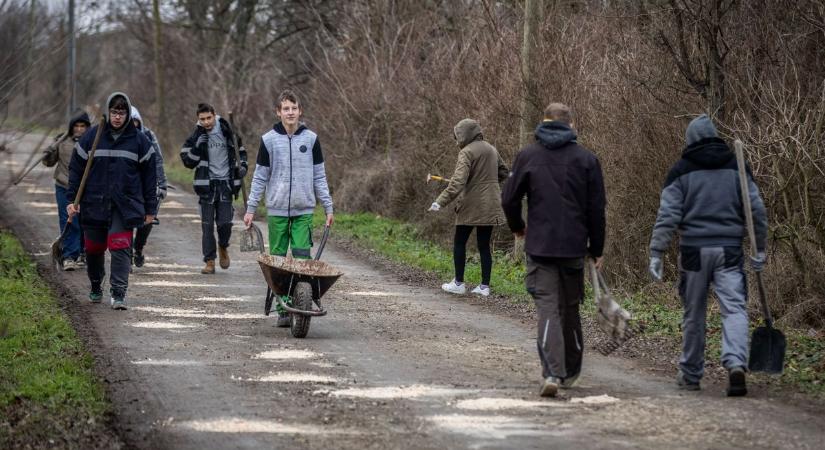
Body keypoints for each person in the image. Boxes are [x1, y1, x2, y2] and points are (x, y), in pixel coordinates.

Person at [648, 114, 767, 397]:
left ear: (690, 140)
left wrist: (657, 251)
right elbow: (756, 210)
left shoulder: (680, 171)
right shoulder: (737, 166)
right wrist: (759, 247)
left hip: (693, 252)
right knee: (734, 309)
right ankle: (736, 364)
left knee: (694, 314)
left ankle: (690, 374)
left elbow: (668, 216)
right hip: (728, 251)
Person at [501, 103, 606, 397]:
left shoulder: (528, 156)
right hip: (574, 248)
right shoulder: (587, 159)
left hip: (541, 246)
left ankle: (552, 373)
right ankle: (571, 372)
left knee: (548, 307)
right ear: (571, 125)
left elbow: (508, 198)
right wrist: (596, 248)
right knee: (569, 308)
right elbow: (596, 210)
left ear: (543, 124)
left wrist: (518, 226)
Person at [244, 89, 334, 327]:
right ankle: (282, 307)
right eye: (286, 108)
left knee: (303, 256)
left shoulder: (311, 139)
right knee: (278, 259)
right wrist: (251, 208)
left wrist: (328, 206)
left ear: (300, 111)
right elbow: (260, 177)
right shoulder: (269, 140)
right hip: (277, 209)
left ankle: (300, 301)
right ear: (278, 112)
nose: (290, 112)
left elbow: (319, 176)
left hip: (304, 208)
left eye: (294, 108)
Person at [67, 92, 158, 310]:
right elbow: (76, 170)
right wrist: (72, 200)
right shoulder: (92, 137)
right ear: (108, 113)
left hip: (124, 205)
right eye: (114, 112)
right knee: (94, 248)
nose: (118, 117)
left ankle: (118, 293)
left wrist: (150, 209)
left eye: (122, 112)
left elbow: (149, 178)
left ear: (128, 114)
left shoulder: (140, 141)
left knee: (120, 246)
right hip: (94, 203)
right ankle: (96, 284)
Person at [428, 118, 508, 297]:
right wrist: (490, 184)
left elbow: (457, 182)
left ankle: (458, 283)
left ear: (464, 135)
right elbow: (503, 172)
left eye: (457, 136)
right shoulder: (491, 149)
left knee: (459, 242)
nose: (456, 141)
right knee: (484, 245)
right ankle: (484, 286)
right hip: (491, 204)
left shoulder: (466, 152)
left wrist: (440, 201)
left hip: (471, 205)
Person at [180, 103, 248, 274]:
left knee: (225, 223)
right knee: (207, 226)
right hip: (206, 187)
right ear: (198, 119)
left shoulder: (227, 130)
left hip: (225, 184)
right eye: (202, 119)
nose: (206, 122)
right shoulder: (197, 135)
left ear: (214, 115)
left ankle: (223, 246)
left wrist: (243, 168)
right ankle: (209, 261)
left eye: (209, 118)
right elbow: (187, 161)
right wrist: (197, 147)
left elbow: (241, 152)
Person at [43, 110, 90, 271]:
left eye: (82, 126)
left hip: (84, 188)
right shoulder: (61, 141)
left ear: (87, 127)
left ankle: (83, 252)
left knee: (85, 222)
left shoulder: (92, 143)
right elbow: (49, 163)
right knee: (68, 220)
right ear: (71, 127)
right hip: (64, 186)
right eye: (76, 125)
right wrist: (48, 153)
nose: (79, 129)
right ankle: (69, 256)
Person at [130, 106, 168, 268]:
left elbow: (157, 160)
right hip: (128, 185)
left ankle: (138, 248)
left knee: (147, 220)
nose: (133, 125)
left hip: (147, 183)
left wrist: (162, 183)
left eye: (135, 121)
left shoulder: (148, 136)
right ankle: (126, 256)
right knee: (126, 221)